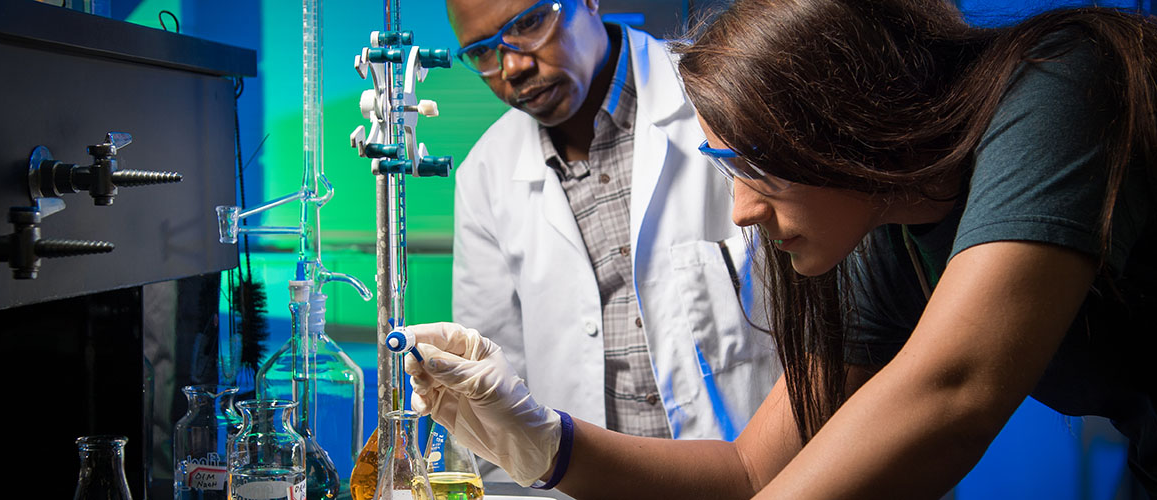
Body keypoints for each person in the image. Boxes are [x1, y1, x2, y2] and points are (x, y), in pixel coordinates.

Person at [405, 0, 1157, 497]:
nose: (739, 210)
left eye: (751, 165)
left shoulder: (1061, 80)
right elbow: (747, 470)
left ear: (844, 121)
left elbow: (953, 388)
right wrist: (546, 442)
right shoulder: (882, 243)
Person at [444, 0, 781, 459]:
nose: (513, 66)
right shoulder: (485, 175)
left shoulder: (724, 90)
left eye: (529, 23)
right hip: (587, 482)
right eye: (482, 52)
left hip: (762, 473)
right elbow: (493, 379)